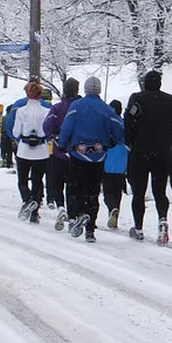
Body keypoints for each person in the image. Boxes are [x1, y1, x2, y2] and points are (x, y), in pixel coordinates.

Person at [123, 69, 172, 244]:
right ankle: (163, 219)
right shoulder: (170, 101)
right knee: (160, 191)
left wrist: (129, 141)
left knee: (139, 192)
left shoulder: (137, 99)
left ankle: (139, 227)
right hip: (163, 151)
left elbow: (128, 122)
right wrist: (169, 135)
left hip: (140, 151)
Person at [57, 76, 122, 241]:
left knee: (75, 187)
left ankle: (77, 214)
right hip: (98, 156)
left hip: (78, 154)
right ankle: (90, 228)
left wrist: (62, 143)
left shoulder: (76, 106)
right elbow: (119, 131)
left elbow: (67, 127)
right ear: (99, 90)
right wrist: (113, 141)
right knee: (93, 191)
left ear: (85, 89)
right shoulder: (107, 110)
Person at [42, 77, 81, 223]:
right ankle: (73, 214)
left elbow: (47, 126)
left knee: (57, 182)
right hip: (77, 153)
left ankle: (60, 207)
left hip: (58, 151)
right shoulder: (80, 107)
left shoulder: (57, 108)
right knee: (72, 184)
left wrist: (52, 138)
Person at [12, 81, 51, 223]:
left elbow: (16, 132)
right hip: (41, 151)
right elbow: (48, 131)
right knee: (37, 180)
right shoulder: (46, 112)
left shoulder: (21, 111)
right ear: (40, 94)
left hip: (24, 150)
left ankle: (27, 199)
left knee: (22, 180)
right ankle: (35, 212)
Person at [102, 100, 128, 228]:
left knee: (108, 192)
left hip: (107, 163)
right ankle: (115, 210)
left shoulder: (107, 124)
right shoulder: (124, 125)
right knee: (117, 191)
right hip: (122, 164)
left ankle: (111, 208)